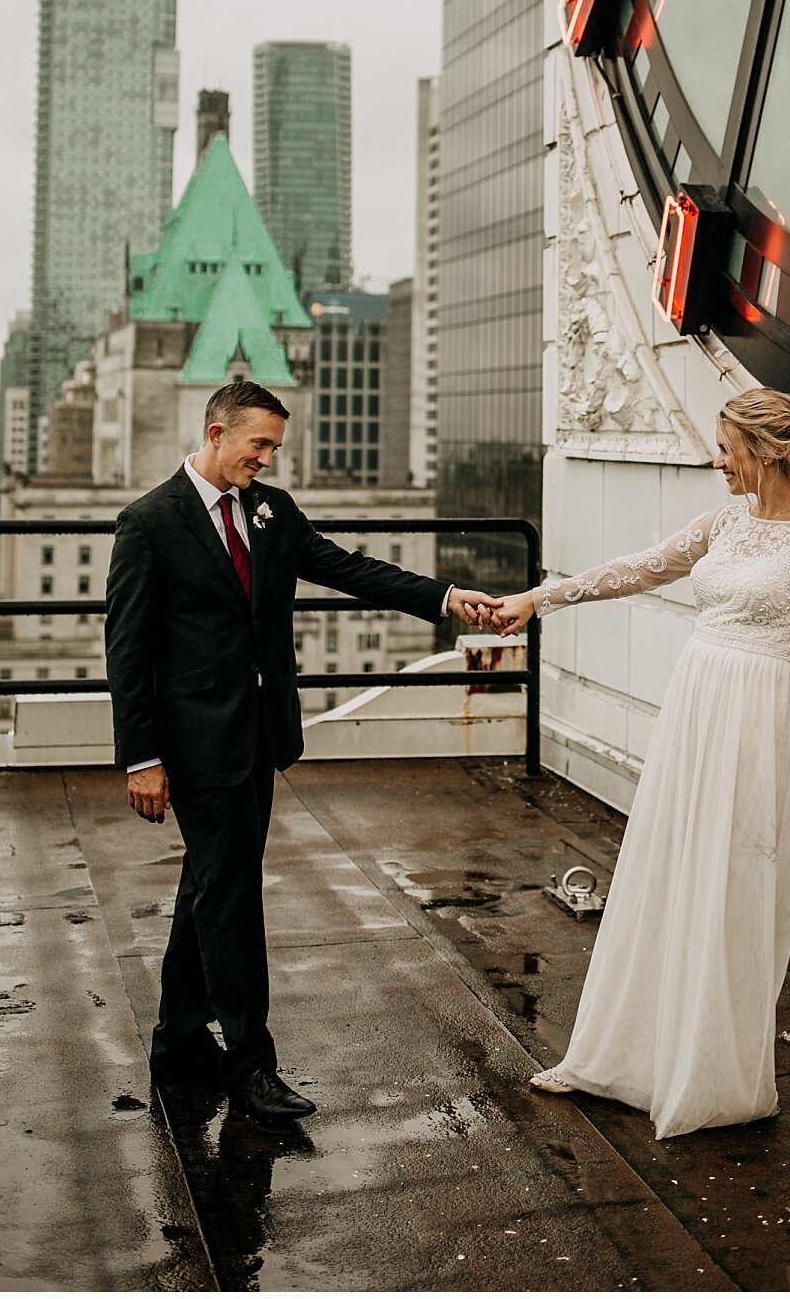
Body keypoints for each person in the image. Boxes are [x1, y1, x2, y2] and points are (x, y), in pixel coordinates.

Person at [105, 378, 501, 1125]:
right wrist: (141, 757)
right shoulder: (149, 522)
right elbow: (126, 652)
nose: (267, 459)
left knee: (211, 885)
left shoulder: (272, 510)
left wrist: (445, 598)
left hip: (260, 733)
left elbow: (345, 567)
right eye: (258, 444)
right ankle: (251, 1066)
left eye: (274, 448)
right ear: (216, 433)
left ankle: (178, 1043)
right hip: (193, 744)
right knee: (230, 897)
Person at [487, 387, 790, 1140]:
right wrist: (541, 598)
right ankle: (615, 1055)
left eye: (726, 446)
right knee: (664, 866)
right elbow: (637, 569)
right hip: (697, 701)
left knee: (732, 877)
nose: (716, 459)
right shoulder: (720, 523)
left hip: (758, 712)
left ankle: (709, 1073)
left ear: (765, 451)